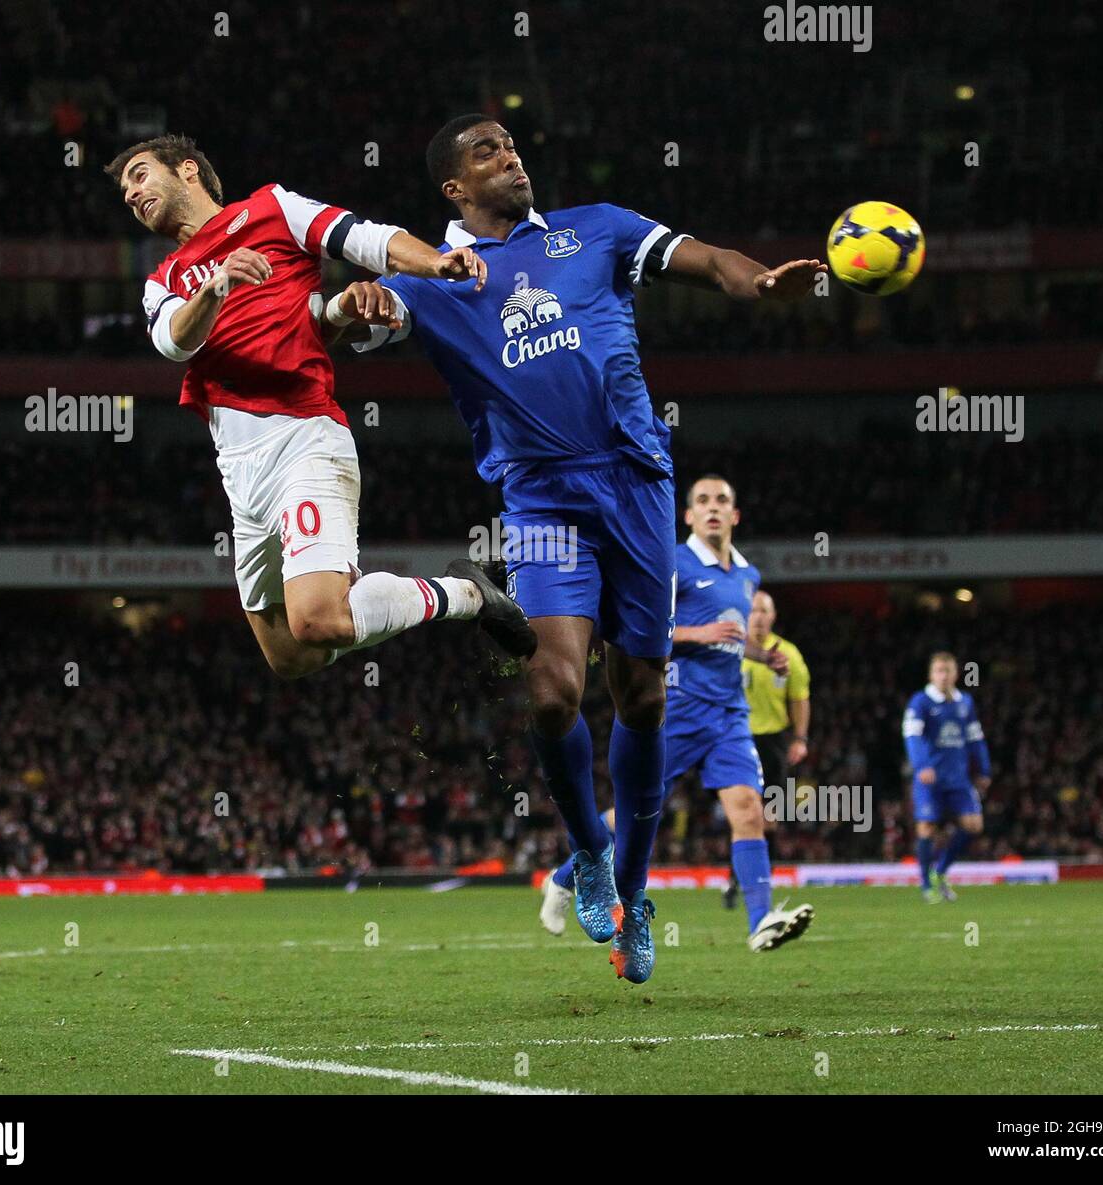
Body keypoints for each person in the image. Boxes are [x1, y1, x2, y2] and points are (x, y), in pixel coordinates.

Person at [340, 115, 823, 982]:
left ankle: (633, 896)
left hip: (639, 488)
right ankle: (590, 852)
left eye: (512, 144)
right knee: (554, 687)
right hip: (540, 499)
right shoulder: (432, 278)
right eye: (486, 150)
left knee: (639, 699)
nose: (511, 156)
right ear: (453, 188)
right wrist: (353, 303)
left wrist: (760, 284)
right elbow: (350, 324)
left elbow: (710, 261)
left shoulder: (595, 229)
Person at [104, 134, 535, 681]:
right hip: (240, 474)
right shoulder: (162, 281)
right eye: (123, 189)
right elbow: (173, 342)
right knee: (290, 655)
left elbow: (366, 238)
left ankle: (467, 593)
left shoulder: (272, 208)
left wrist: (435, 263)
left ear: (187, 170)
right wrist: (221, 287)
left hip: (303, 440)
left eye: (139, 175)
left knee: (320, 622)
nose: (131, 193)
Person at [542, 476, 814, 952]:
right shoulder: (675, 565)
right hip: (679, 710)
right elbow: (644, 631)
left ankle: (760, 920)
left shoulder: (747, 575)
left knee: (749, 810)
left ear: (735, 515)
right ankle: (566, 877)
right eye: (702, 501)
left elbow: (728, 637)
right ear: (687, 515)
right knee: (632, 813)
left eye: (722, 501)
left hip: (730, 714)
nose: (713, 508)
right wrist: (700, 634)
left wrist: (759, 653)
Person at [734, 590, 811, 908]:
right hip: (738, 738)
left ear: (774, 615)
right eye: (754, 610)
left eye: (765, 610)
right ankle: (738, 879)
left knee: (769, 818)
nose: (759, 616)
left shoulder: (789, 654)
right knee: (744, 810)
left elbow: (799, 698)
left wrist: (800, 738)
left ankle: (753, 878)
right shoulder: (733, 649)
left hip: (775, 741)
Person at [902, 651, 991, 902]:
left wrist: (983, 769)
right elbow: (912, 735)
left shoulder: (965, 702)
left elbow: (975, 738)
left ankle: (939, 871)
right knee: (927, 827)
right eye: (939, 671)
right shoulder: (920, 702)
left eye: (948, 670)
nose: (943, 676)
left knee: (974, 826)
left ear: (956, 674)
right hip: (929, 778)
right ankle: (926, 886)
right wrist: (921, 765)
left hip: (958, 778)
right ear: (931, 675)